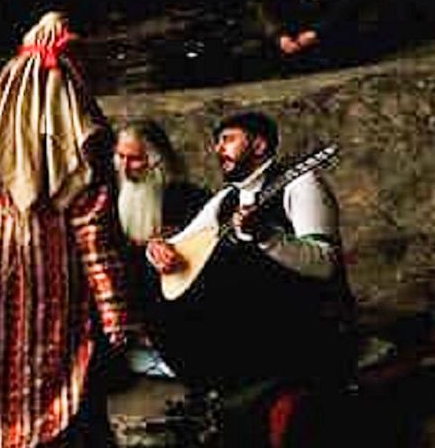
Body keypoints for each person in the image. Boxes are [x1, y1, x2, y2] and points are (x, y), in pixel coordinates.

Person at [0, 12, 138, 447]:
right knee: (39, 356)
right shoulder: (78, 122)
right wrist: (116, 317)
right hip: (44, 252)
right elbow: (91, 233)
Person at [145, 112, 355, 443]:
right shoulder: (227, 198)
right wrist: (156, 250)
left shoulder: (300, 184)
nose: (218, 149)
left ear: (258, 144)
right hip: (252, 322)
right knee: (149, 286)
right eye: (217, 141)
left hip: (304, 322)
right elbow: (181, 242)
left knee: (232, 273)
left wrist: (266, 236)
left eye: (228, 139)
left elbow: (325, 264)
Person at [110, 121, 208, 378]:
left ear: (157, 161)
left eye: (135, 159)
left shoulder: (186, 197)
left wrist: (173, 243)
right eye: (120, 156)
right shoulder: (107, 194)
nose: (123, 167)